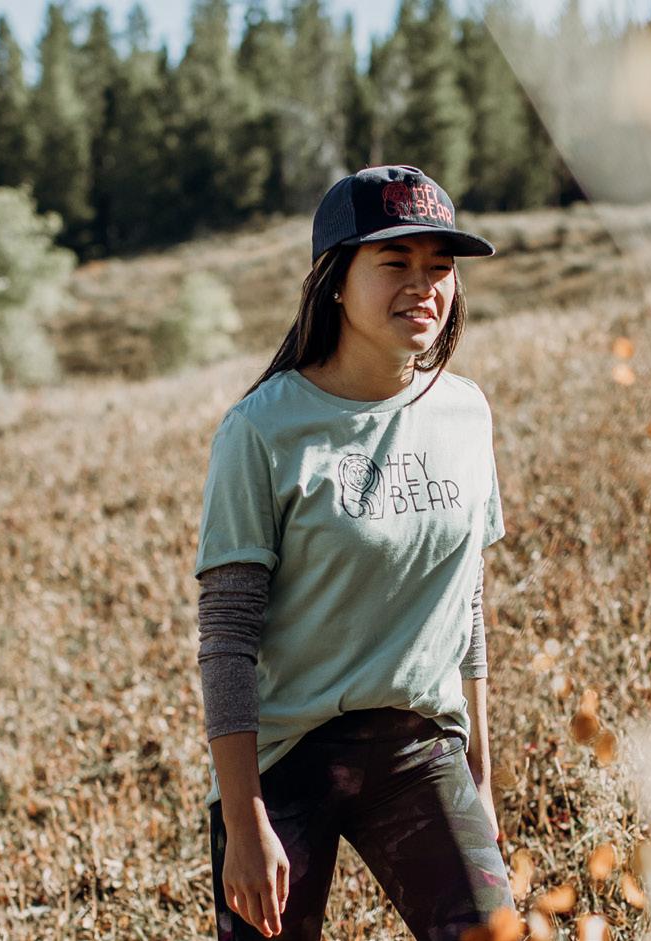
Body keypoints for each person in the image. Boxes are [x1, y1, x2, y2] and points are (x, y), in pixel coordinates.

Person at [194, 165, 513, 941]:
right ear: (336, 281)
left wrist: (480, 772)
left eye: (439, 265)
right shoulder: (262, 430)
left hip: (419, 749)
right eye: (394, 262)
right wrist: (243, 819)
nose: (423, 285)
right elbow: (228, 636)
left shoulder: (466, 413)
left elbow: (467, 604)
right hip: (285, 761)